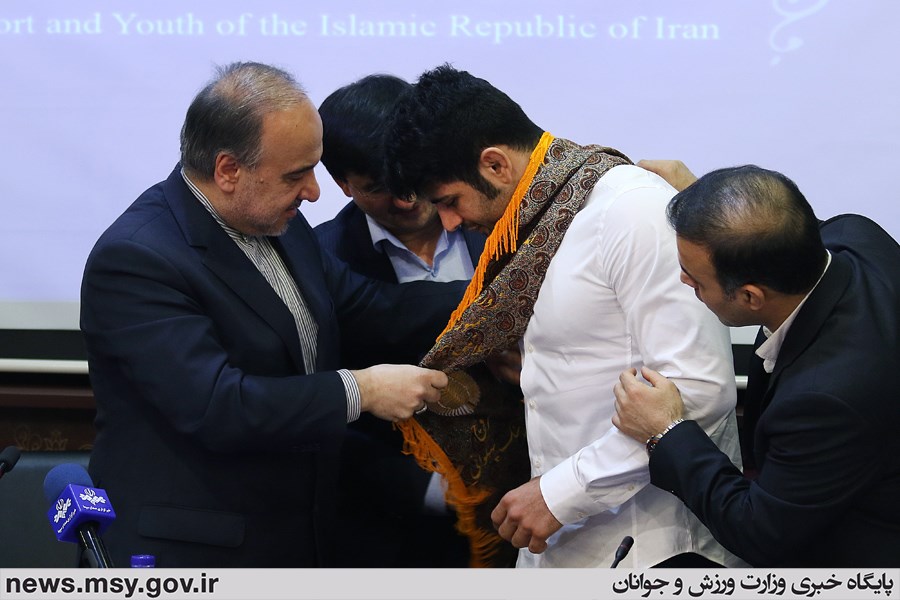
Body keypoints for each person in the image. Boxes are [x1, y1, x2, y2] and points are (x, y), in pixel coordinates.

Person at [80, 62, 468, 568]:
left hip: (297, 536)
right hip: (197, 551)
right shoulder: (138, 258)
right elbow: (218, 406)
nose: (314, 192)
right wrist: (364, 389)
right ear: (228, 171)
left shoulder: (277, 222)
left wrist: (506, 296)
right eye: (295, 175)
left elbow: (372, 308)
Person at [381, 64, 744, 568]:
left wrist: (562, 492)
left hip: (653, 542)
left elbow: (700, 389)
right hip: (560, 532)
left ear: (495, 165)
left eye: (449, 201)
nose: (449, 222)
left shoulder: (632, 211)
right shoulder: (537, 224)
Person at [612, 163, 900, 567]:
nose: (682, 281)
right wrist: (711, 211)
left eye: (696, 280)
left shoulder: (827, 398)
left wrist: (666, 431)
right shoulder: (854, 234)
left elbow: (759, 531)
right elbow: (772, 228)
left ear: (750, 297)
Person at [313, 74, 486, 567]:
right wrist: (431, 490)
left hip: (534, 514)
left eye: (412, 177)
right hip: (390, 536)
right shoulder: (319, 261)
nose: (407, 200)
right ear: (343, 185)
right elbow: (317, 408)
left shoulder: (504, 225)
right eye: (379, 188)